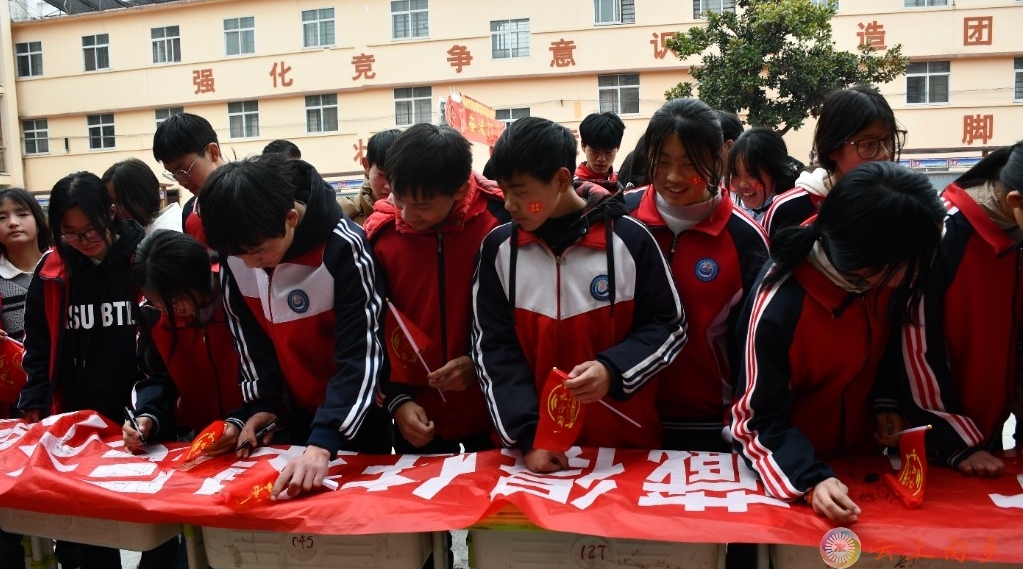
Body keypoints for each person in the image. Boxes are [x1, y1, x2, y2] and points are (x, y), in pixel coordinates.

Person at [730, 161, 946, 525]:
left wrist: (884, 402)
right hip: (795, 472)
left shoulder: (882, 283)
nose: (919, 274)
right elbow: (754, 419)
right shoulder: (779, 303)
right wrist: (809, 479)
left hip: (865, 463)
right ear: (866, 265)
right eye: (913, 264)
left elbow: (889, 350)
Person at [472, 117, 687, 474]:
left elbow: (671, 325)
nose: (508, 204)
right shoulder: (499, 249)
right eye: (503, 190)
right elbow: (492, 350)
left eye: (521, 192)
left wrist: (613, 370)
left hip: (622, 454)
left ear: (559, 179)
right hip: (534, 460)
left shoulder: (630, 241)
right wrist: (530, 438)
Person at [198, 154, 389, 500]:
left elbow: (362, 354)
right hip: (293, 413)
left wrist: (324, 442)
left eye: (258, 253)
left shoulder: (344, 248)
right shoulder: (236, 254)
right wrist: (262, 404)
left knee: (364, 528)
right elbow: (248, 338)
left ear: (289, 219)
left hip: (354, 415)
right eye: (240, 257)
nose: (251, 265)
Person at [15, 172, 176, 568]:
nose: (82, 243)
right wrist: (35, 399)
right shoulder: (52, 272)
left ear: (112, 213)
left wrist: (153, 410)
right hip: (80, 418)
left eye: (91, 232)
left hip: (145, 412)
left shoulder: (145, 258)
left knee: (160, 530)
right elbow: (37, 347)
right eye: (69, 234)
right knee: (84, 538)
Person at [625, 98, 769, 452]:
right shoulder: (620, 219)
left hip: (710, 424)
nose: (674, 178)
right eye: (661, 163)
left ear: (720, 155)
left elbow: (757, 347)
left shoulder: (745, 239)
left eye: (690, 164)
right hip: (625, 415)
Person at [363, 124, 507, 455]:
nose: (407, 216)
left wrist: (477, 362)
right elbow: (369, 331)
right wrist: (396, 401)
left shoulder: (500, 223)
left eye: (423, 206)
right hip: (416, 419)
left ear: (459, 190)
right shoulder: (380, 237)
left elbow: (523, 321)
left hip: (494, 416)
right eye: (399, 198)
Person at [897, 142, 1023, 477]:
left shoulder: (1016, 233)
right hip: (940, 438)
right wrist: (954, 440)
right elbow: (916, 347)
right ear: (1015, 202)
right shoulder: (943, 233)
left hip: (991, 432)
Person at [122, 230, 246, 455]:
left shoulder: (240, 294)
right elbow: (156, 377)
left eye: (174, 301)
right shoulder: (153, 314)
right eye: (156, 301)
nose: (168, 310)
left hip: (254, 431)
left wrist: (241, 421)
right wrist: (147, 417)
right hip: (196, 438)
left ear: (196, 277)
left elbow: (267, 371)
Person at [763, 84, 905, 238]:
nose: (884, 154)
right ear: (832, 149)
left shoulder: (905, 204)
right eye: (869, 144)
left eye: (889, 140)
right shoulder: (789, 209)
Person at [0, 188, 48, 569]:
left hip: (60, 401)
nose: (13, 222)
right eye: (2, 217)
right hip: (12, 410)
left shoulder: (60, 268)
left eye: (21, 213)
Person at [152, 113, 226, 245]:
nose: (182, 182)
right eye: (174, 174)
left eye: (184, 169)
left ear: (212, 152)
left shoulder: (258, 194)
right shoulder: (189, 213)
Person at [727, 127, 800, 224]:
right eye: (735, 173)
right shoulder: (730, 213)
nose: (742, 184)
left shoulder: (796, 217)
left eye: (752, 175)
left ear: (775, 171)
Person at [102, 158, 182, 233]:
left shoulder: (165, 238)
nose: (114, 210)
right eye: (110, 203)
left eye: (121, 201)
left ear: (145, 195)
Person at [341, 129, 401, 226]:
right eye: (381, 175)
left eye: (398, 177)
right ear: (366, 165)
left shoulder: (419, 217)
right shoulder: (343, 216)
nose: (389, 186)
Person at [575, 111, 625, 191]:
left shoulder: (623, 182)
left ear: (618, 147)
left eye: (608, 152)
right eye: (595, 151)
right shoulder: (571, 186)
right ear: (583, 146)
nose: (601, 159)